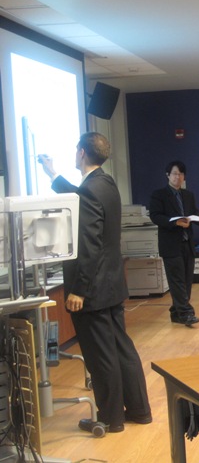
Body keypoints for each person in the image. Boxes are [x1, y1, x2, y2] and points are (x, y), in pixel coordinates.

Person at [37, 132, 151, 434]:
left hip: (92, 290)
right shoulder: (105, 184)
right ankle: (139, 411)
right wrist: (53, 174)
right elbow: (81, 199)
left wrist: (79, 289)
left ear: (82, 153)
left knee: (101, 357)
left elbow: (88, 244)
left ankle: (110, 419)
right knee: (122, 349)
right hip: (111, 285)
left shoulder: (90, 190)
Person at [150, 161, 199, 326]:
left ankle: (176, 312)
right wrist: (174, 222)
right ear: (168, 175)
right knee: (177, 281)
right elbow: (155, 216)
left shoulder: (188, 195)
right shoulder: (159, 195)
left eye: (181, 174)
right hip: (171, 245)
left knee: (187, 280)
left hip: (187, 243)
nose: (178, 177)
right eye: (175, 173)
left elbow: (193, 213)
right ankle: (186, 313)